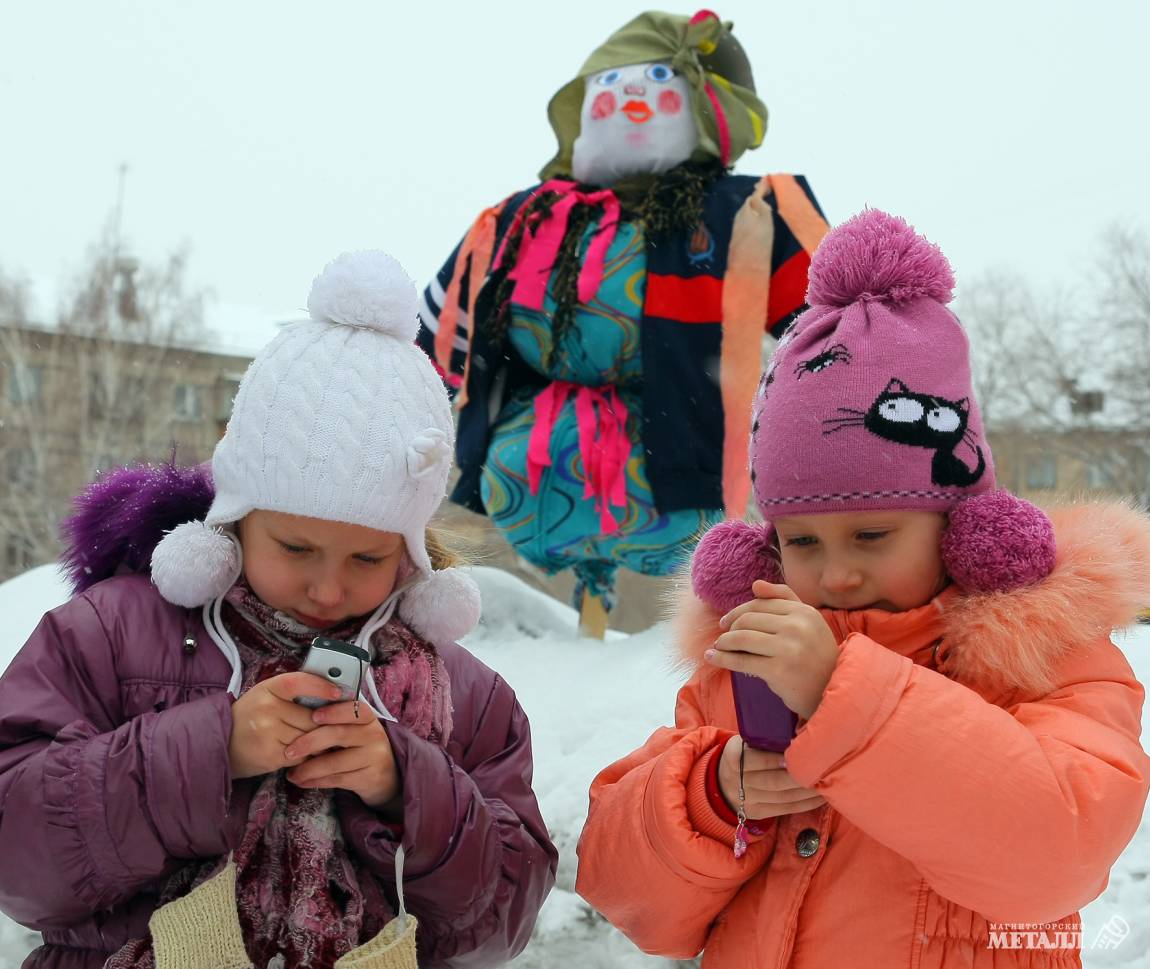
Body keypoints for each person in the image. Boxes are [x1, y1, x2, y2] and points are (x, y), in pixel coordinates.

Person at [574, 209, 1150, 967]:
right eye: (802, 542)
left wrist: (846, 691)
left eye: (872, 537)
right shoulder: (744, 661)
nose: (835, 573)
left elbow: (1058, 855)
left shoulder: (1048, 655)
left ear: (965, 525)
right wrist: (712, 796)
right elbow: (620, 888)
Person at [0, 251, 557, 969]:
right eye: (296, 547)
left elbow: (504, 922)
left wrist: (405, 784)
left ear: (414, 552)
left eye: (367, 558)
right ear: (235, 519)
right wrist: (208, 751)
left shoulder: (466, 698)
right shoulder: (109, 634)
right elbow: (18, 855)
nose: (328, 589)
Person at [416, 10, 828, 632]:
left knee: (668, 668)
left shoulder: (750, 213)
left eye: (657, 79)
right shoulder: (516, 223)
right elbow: (431, 348)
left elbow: (840, 341)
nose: (630, 101)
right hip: (527, 500)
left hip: (693, 517)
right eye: (613, 87)